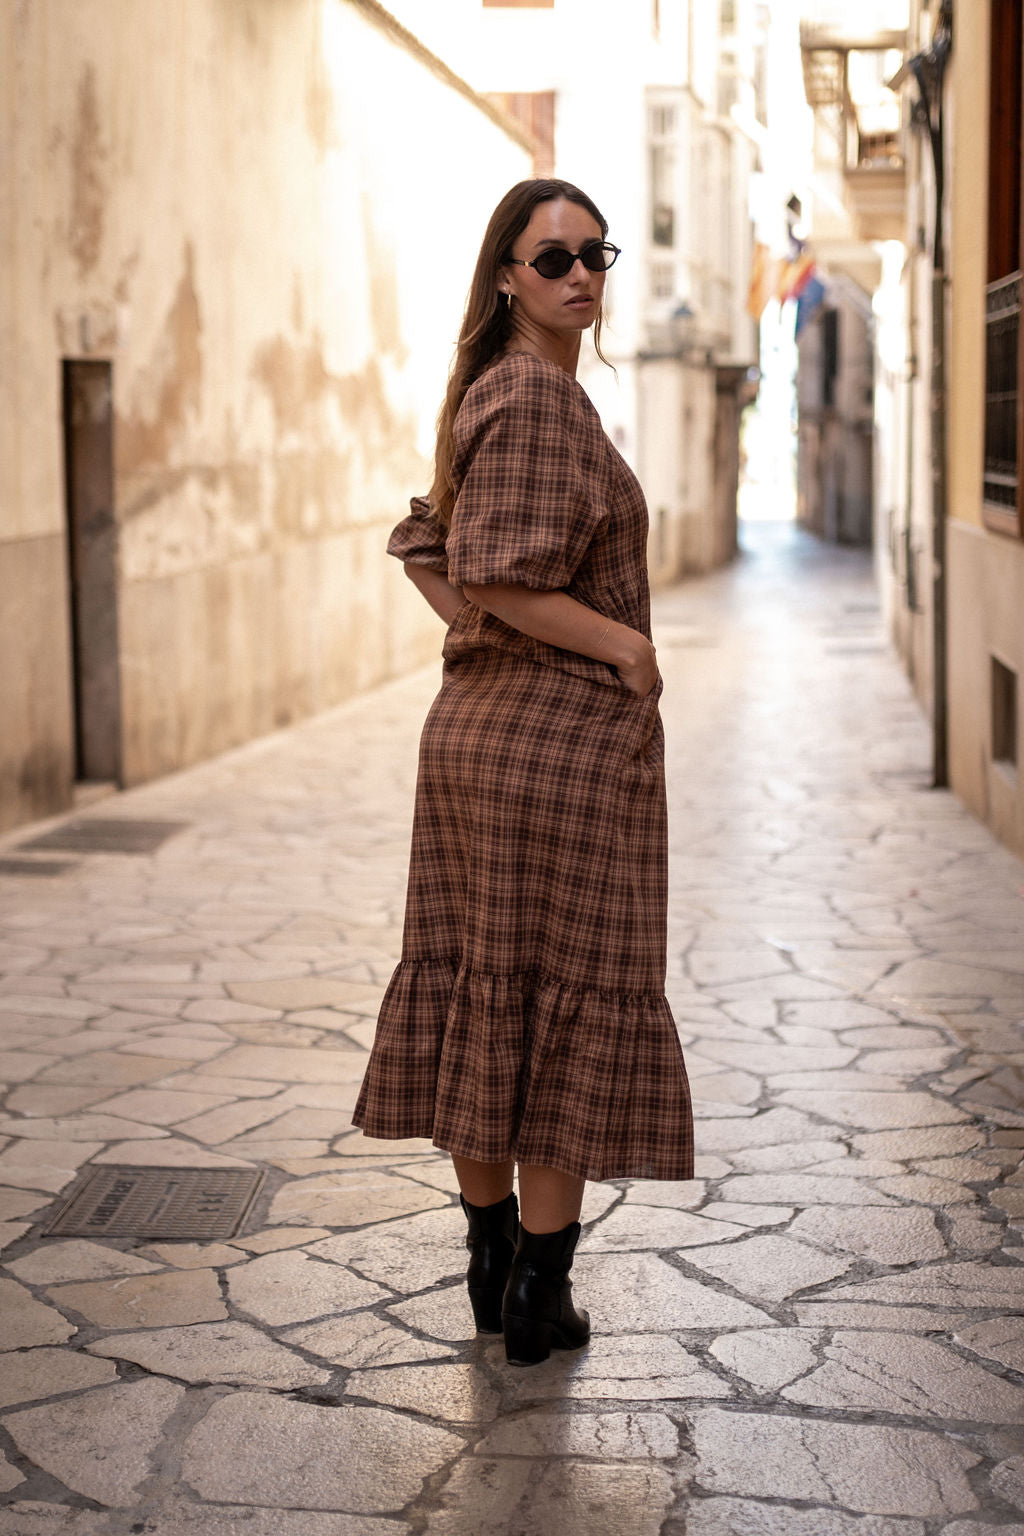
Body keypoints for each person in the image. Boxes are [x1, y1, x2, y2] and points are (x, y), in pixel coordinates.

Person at [352, 178, 693, 1366]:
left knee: (485, 990)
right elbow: (496, 577)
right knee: (567, 1008)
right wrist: (628, 649)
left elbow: (445, 576)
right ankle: (538, 1298)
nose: (583, 276)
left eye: (596, 255)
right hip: (561, 755)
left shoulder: (489, 396)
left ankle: (490, 1257)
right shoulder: (539, 401)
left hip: (476, 744)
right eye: (553, 259)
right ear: (505, 276)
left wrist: (504, 618)